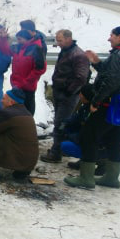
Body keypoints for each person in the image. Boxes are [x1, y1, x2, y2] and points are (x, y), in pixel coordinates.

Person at [65, 24, 120, 190]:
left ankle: (86, 178)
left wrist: (95, 101)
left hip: (109, 103)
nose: (109, 38)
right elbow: (113, 74)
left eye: (112, 35)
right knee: (115, 139)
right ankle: (111, 178)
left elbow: (111, 82)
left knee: (88, 136)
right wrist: (98, 63)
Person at [41, 29, 90, 163]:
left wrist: (69, 91)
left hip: (67, 95)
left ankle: (56, 152)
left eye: (60, 40)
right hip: (60, 92)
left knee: (60, 123)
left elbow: (81, 77)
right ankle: (61, 148)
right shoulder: (66, 51)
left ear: (69, 38)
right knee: (60, 121)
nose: (58, 43)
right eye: (57, 40)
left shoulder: (78, 55)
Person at [0, 88, 39, 180]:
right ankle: (21, 172)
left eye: (4, 98)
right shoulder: (27, 113)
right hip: (29, 162)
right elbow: (9, 125)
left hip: (17, 158)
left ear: (11, 102)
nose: (1, 101)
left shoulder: (7, 113)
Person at [9, 29, 47, 115]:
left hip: (28, 85)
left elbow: (41, 68)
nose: (18, 41)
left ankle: (29, 124)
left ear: (26, 39)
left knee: (28, 107)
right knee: (17, 108)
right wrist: (3, 39)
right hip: (16, 84)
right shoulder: (17, 48)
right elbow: (5, 51)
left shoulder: (36, 49)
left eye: (20, 39)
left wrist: (27, 81)